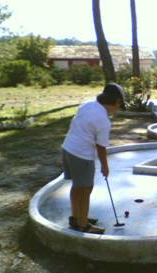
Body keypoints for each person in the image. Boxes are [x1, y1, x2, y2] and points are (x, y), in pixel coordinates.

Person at [62, 83, 125, 234]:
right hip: (81, 155)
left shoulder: (88, 105)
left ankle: (76, 217)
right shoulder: (103, 120)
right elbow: (101, 147)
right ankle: (83, 225)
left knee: (77, 186)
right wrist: (105, 166)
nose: (118, 109)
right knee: (85, 189)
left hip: (67, 149)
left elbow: (75, 124)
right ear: (116, 102)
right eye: (120, 105)